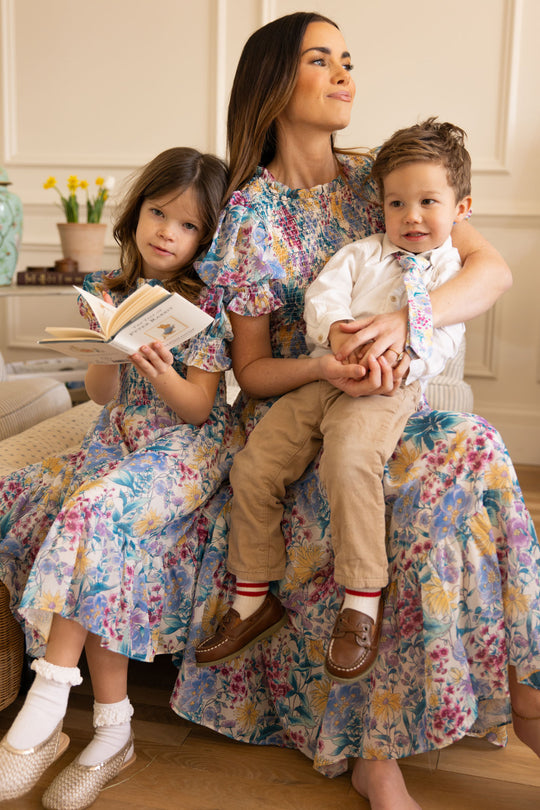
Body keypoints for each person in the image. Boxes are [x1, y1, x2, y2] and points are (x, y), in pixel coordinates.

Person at [169, 12, 540, 810]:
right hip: (304, 412)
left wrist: (410, 319)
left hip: (391, 401)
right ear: (274, 83)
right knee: (389, 497)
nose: (345, 74)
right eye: (320, 59)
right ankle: (377, 750)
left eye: (348, 59)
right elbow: (254, 373)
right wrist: (330, 363)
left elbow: (490, 270)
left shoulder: (390, 172)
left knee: (475, 456)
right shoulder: (249, 216)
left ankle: (527, 693)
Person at [195, 118, 473, 683]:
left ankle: (362, 598)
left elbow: (445, 335)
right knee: (255, 466)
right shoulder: (362, 253)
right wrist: (339, 335)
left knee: (349, 459)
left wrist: (399, 363)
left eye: (428, 203)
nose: (412, 217)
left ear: (460, 208)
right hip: (323, 377)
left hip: (385, 387)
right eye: (397, 203)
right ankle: (253, 593)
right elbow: (324, 298)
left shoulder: (450, 269)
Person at [0, 147, 233, 808]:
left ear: (207, 237)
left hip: (185, 445)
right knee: (64, 512)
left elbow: (197, 406)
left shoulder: (211, 304)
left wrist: (161, 369)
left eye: (188, 225)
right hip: (119, 434)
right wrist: (106, 349)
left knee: (94, 512)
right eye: (159, 213)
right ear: (137, 215)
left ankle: (44, 708)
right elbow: (102, 394)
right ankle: (113, 730)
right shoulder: (109, 287)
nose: (167, 231)